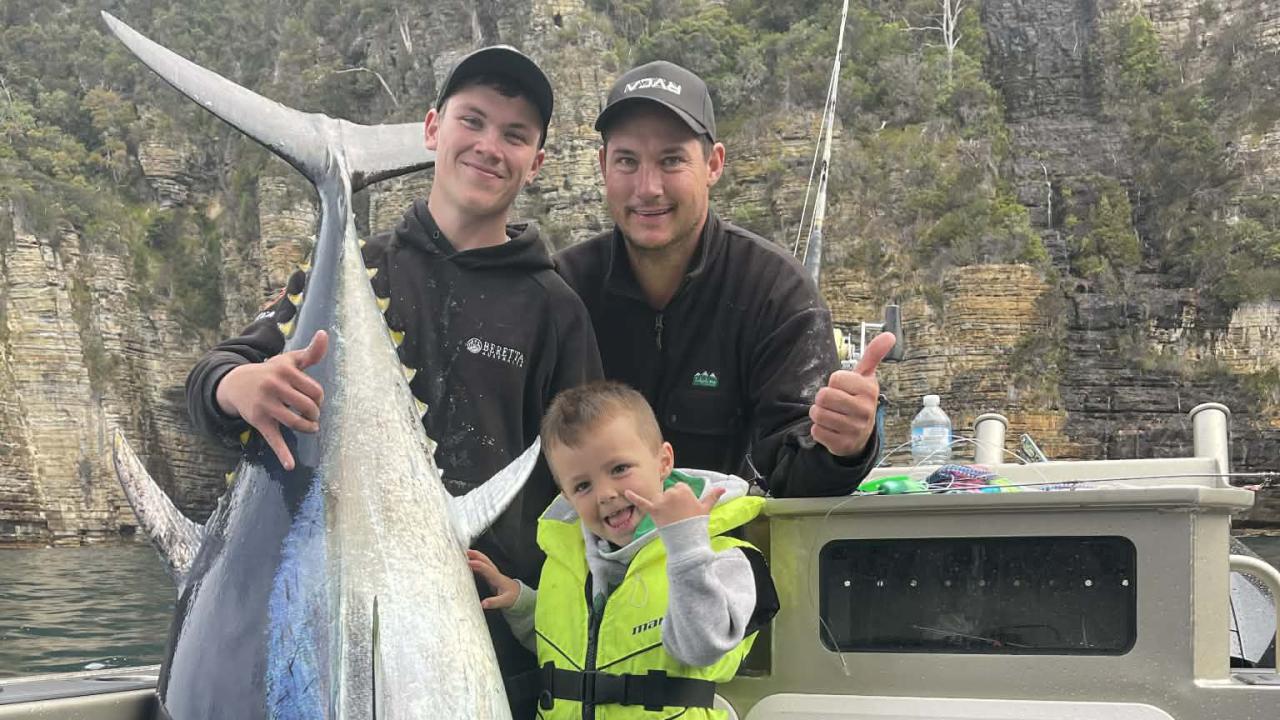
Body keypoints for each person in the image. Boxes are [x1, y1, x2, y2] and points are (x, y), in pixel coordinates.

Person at [184, 46, 602, 718]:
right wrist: (239, 388)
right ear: (433, 129)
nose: (490, 146)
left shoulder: (554, 310)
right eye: (474, 121)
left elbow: (588, 477)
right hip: (341, 637)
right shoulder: (364, 266)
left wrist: (537, 597)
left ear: (537, 162)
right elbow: (212, 379)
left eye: (515, 135)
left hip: (497, 650)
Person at [555, 60, 896, 498]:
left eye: (671, 160)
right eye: (627, 161)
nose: (647, 187)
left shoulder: (775, 293)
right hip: (589, 560)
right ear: (603, 165)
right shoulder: (563, 289)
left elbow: (797, 475)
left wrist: (846, 448)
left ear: (713, 164)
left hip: (727, 556)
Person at [469, 381, 778, 718]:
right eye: (582, 485)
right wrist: (520, 601)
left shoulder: (726, 558)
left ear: (663, 462)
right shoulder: (568, 562)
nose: (604, 493)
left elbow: (701, 647)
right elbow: (574, 643)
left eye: (619, 469)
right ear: (566, 497)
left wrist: (686, 545)